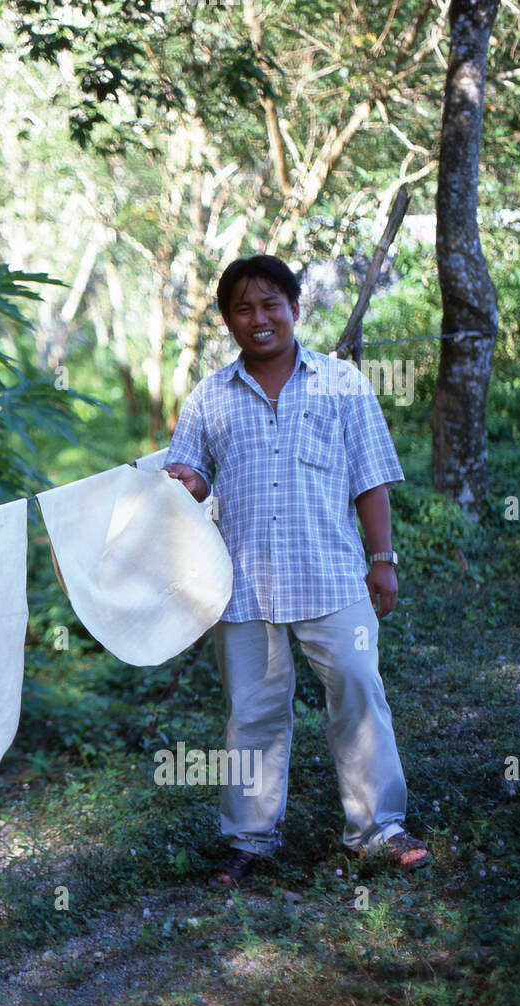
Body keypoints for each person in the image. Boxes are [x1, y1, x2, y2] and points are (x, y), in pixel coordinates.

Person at [163, 254, 430, 890]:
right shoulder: (208, 397)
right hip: (243, 585)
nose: (259, 319)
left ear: (294, 309)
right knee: (251, 713)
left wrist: (383, 559)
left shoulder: (343, 384)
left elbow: (370, 480)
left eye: (270, 305)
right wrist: (185, 481)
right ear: (228, 321)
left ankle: (379, 831)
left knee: (359, 692)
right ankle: (248, 842)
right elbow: (193, 478)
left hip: (333, 577)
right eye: (243, 309)